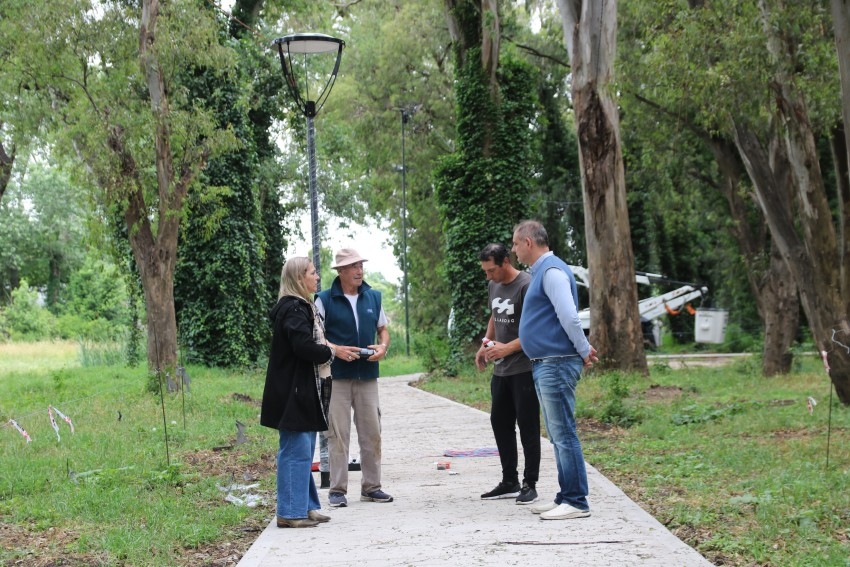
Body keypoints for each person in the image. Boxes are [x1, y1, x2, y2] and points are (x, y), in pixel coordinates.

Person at [511, 220, 599, 520]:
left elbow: (570, 317)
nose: (513, 250)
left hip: (557, 363)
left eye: (515, 243)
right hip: (546, 363)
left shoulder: (551, 272)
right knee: (557, 433)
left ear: (528, 243)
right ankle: (565, 495)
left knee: (564, 433)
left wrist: (584, 349)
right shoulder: (541, 273)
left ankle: (576, 500)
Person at [260, 257, 338, 528]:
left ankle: (306, 506)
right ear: (298, 278)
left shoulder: (300, 306)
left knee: (302, 447)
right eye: (312, 273)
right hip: (294, 389)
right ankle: (290, 513)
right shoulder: (294, 308)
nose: (317, 277)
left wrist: (332, 349)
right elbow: (303, 347)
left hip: (299, 387)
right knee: (295, 450)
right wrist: (329, 352)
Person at [315, 248, 393, 508]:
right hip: (337, 375)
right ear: (340, 271)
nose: (359, 270)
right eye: (353, 266)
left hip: (368, 374)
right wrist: (336, 349)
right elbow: (317, 336)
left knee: (372, 432)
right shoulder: (324, 299)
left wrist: (383, 347)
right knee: (338, 433)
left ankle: (372, 487)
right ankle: (337, 490)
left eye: (361, 265)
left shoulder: (373, 297)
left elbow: (383, 330)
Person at [474, 243, 541, 505]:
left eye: (491, 270)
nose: (488, 276)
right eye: (485, 272)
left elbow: (536, 330)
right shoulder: (494, 284)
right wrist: (485, 344)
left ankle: (530, 483)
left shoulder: (527, 285)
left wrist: (507, 349)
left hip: (525, 369)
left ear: (505, 262)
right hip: (501, 371)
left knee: (528, 427)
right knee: (500, 424)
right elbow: (495, 314)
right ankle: (509, 480)